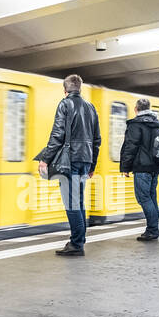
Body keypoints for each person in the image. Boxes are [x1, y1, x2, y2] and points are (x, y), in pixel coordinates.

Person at [36, 74, 101, 256]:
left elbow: (58, 134)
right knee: (78, 202)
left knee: (72, 203)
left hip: (70, 161)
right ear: (79, 89)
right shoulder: (91, 107)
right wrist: (92, 165)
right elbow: (97, 140)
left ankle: (76, 244)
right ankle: (77, 241)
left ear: (65, 90)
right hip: (85, 160)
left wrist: (45, 159)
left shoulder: (65, 104)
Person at [120, 97, 159, 241]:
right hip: (154, 167)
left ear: (136, 109)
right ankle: (153, 228)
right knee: (151, 198)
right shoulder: (156, 124)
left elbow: (130, 147)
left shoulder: (135, 125)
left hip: (142, 167)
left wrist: (125, 167)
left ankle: (152, 230)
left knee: (144, 198)